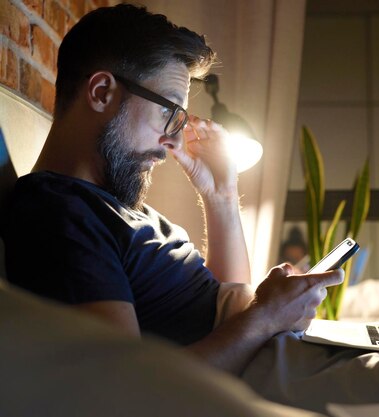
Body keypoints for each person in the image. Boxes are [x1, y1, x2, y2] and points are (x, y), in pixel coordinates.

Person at [2, 4, 343, 375]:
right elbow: (126, 385)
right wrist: (268, 317)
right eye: (169, 112)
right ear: (101, 92)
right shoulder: (60, 214)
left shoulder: (121, 210)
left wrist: (221, 195)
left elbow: (223, 301)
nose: (173, 138)